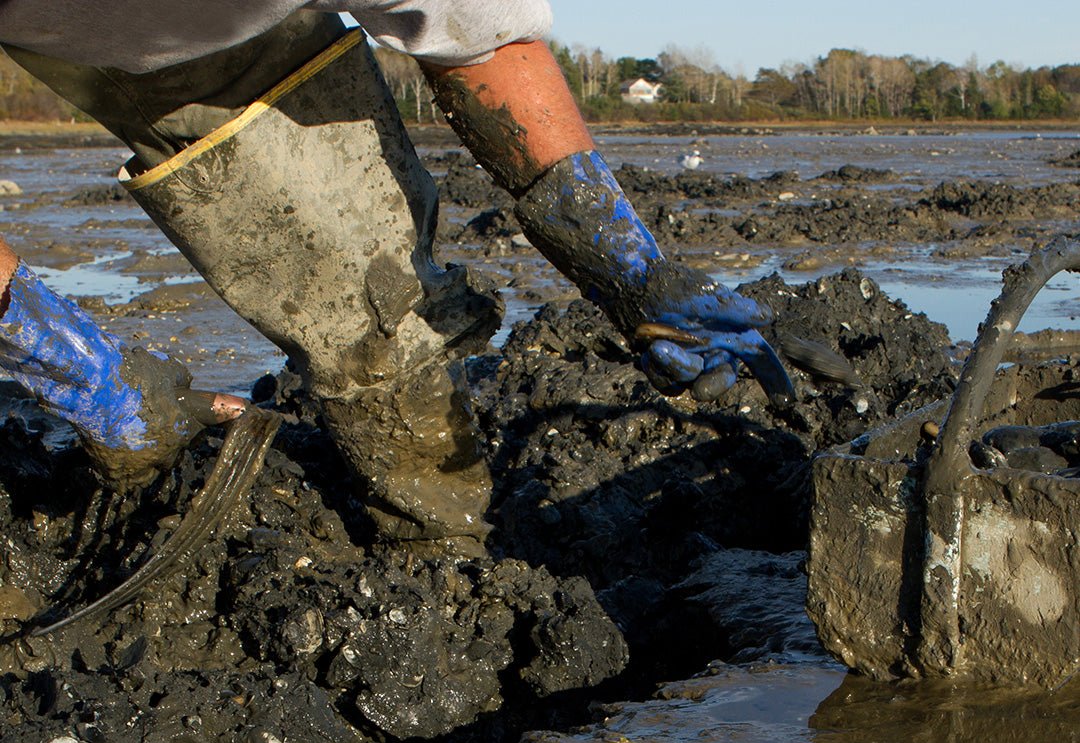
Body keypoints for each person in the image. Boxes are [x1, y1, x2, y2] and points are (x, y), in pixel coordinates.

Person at [0, 1, 793, 550]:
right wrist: (74, 367)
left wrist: (628, 266)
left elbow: (484, 41)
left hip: (219, 42)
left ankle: (441, 557)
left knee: (379, 317)